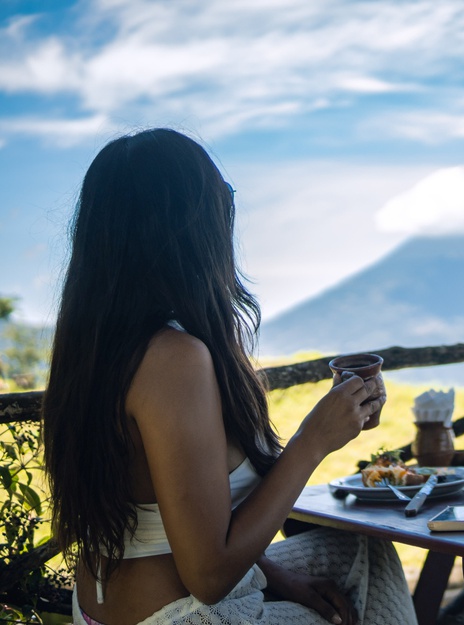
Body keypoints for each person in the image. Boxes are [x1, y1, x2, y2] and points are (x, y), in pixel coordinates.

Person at [41, 128, 418, 625]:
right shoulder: (173, 359)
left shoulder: (98, 348)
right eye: (222, 203)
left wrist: (286, 581)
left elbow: (189, 521)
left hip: (112, 609)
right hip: (184, 615)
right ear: (187, 229)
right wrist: (313, 439)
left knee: (362, 554)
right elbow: (210, 576)